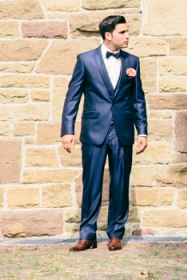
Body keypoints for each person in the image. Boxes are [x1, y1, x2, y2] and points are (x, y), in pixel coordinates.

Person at [60, 15, 148, 252]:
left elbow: (138, 99)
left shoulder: (133, 61)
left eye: (127, 31)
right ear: (108, 35)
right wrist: (67, 130)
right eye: (122, 32)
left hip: (122, 130)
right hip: (94, 130)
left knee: (120, 182)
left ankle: (116, 233)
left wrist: (143, 132)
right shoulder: (86, 60)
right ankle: (87, 235)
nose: (127, 36)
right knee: (92, 183)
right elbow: (73, 96)